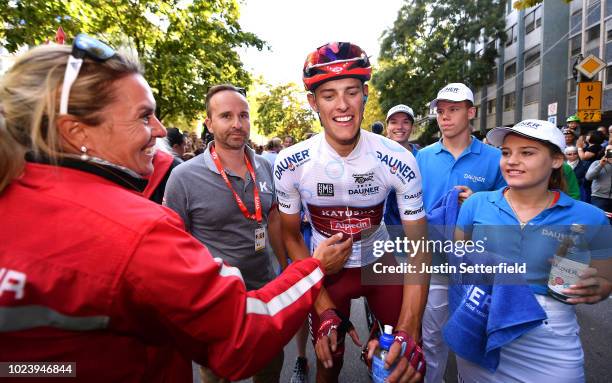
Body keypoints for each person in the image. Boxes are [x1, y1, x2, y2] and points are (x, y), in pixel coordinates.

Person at [0, 35, 352, 382]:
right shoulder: (139, 228)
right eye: (143, 117)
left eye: (243, 115)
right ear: (76, 132)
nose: (158, 130)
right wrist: (315, 267)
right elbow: (240, 333)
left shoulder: (14, 192)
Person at [275, 41, 429, 383]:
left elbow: (420, 246)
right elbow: (289, 235)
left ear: (365, 94)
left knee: (400, 362)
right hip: (328, 272)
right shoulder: (291, 163)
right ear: (312, 102)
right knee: (329, 367)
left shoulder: (399, 159)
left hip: (381, 267)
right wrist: (322, 307)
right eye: (329, 95)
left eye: (351, 92)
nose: (342, 105)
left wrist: (409, 329)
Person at [455, 119, 611, 381]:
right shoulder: (476, 204)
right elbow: (456, 260)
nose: (512, 161)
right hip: (480, 328)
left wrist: (596, 288)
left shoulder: (591, 218)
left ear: (557, 160)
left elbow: (606, 282)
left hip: (550, 340)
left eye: (526, 153)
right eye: (506, 153)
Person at [164, 84, 290, 382]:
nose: (237, 123)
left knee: (270, 366)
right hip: (216, 300)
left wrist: (285, 270)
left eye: (243, 115)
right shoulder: (183, 176)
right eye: (226, 116)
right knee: (217, 374)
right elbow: (173, 241)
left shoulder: (264, 167)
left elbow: (273, 220)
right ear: (209, 123)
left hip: (264, 292)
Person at [416, 82, 506, 383]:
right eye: (440, 111)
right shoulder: (423, 157)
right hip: (435, 262)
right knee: (432, 340)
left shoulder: (495, 159)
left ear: (471, 112)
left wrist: (479, 201)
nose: (445, 117)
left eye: (453, 110)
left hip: (477, 266)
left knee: (472, 340)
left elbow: (510, 209)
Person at [585, 144, 612, 216]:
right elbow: (588, 177)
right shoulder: (596, 163)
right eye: (608, 150)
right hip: (599, 197)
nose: (610, 152)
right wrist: (600, 165)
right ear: (605, 152)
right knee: (598, 219)